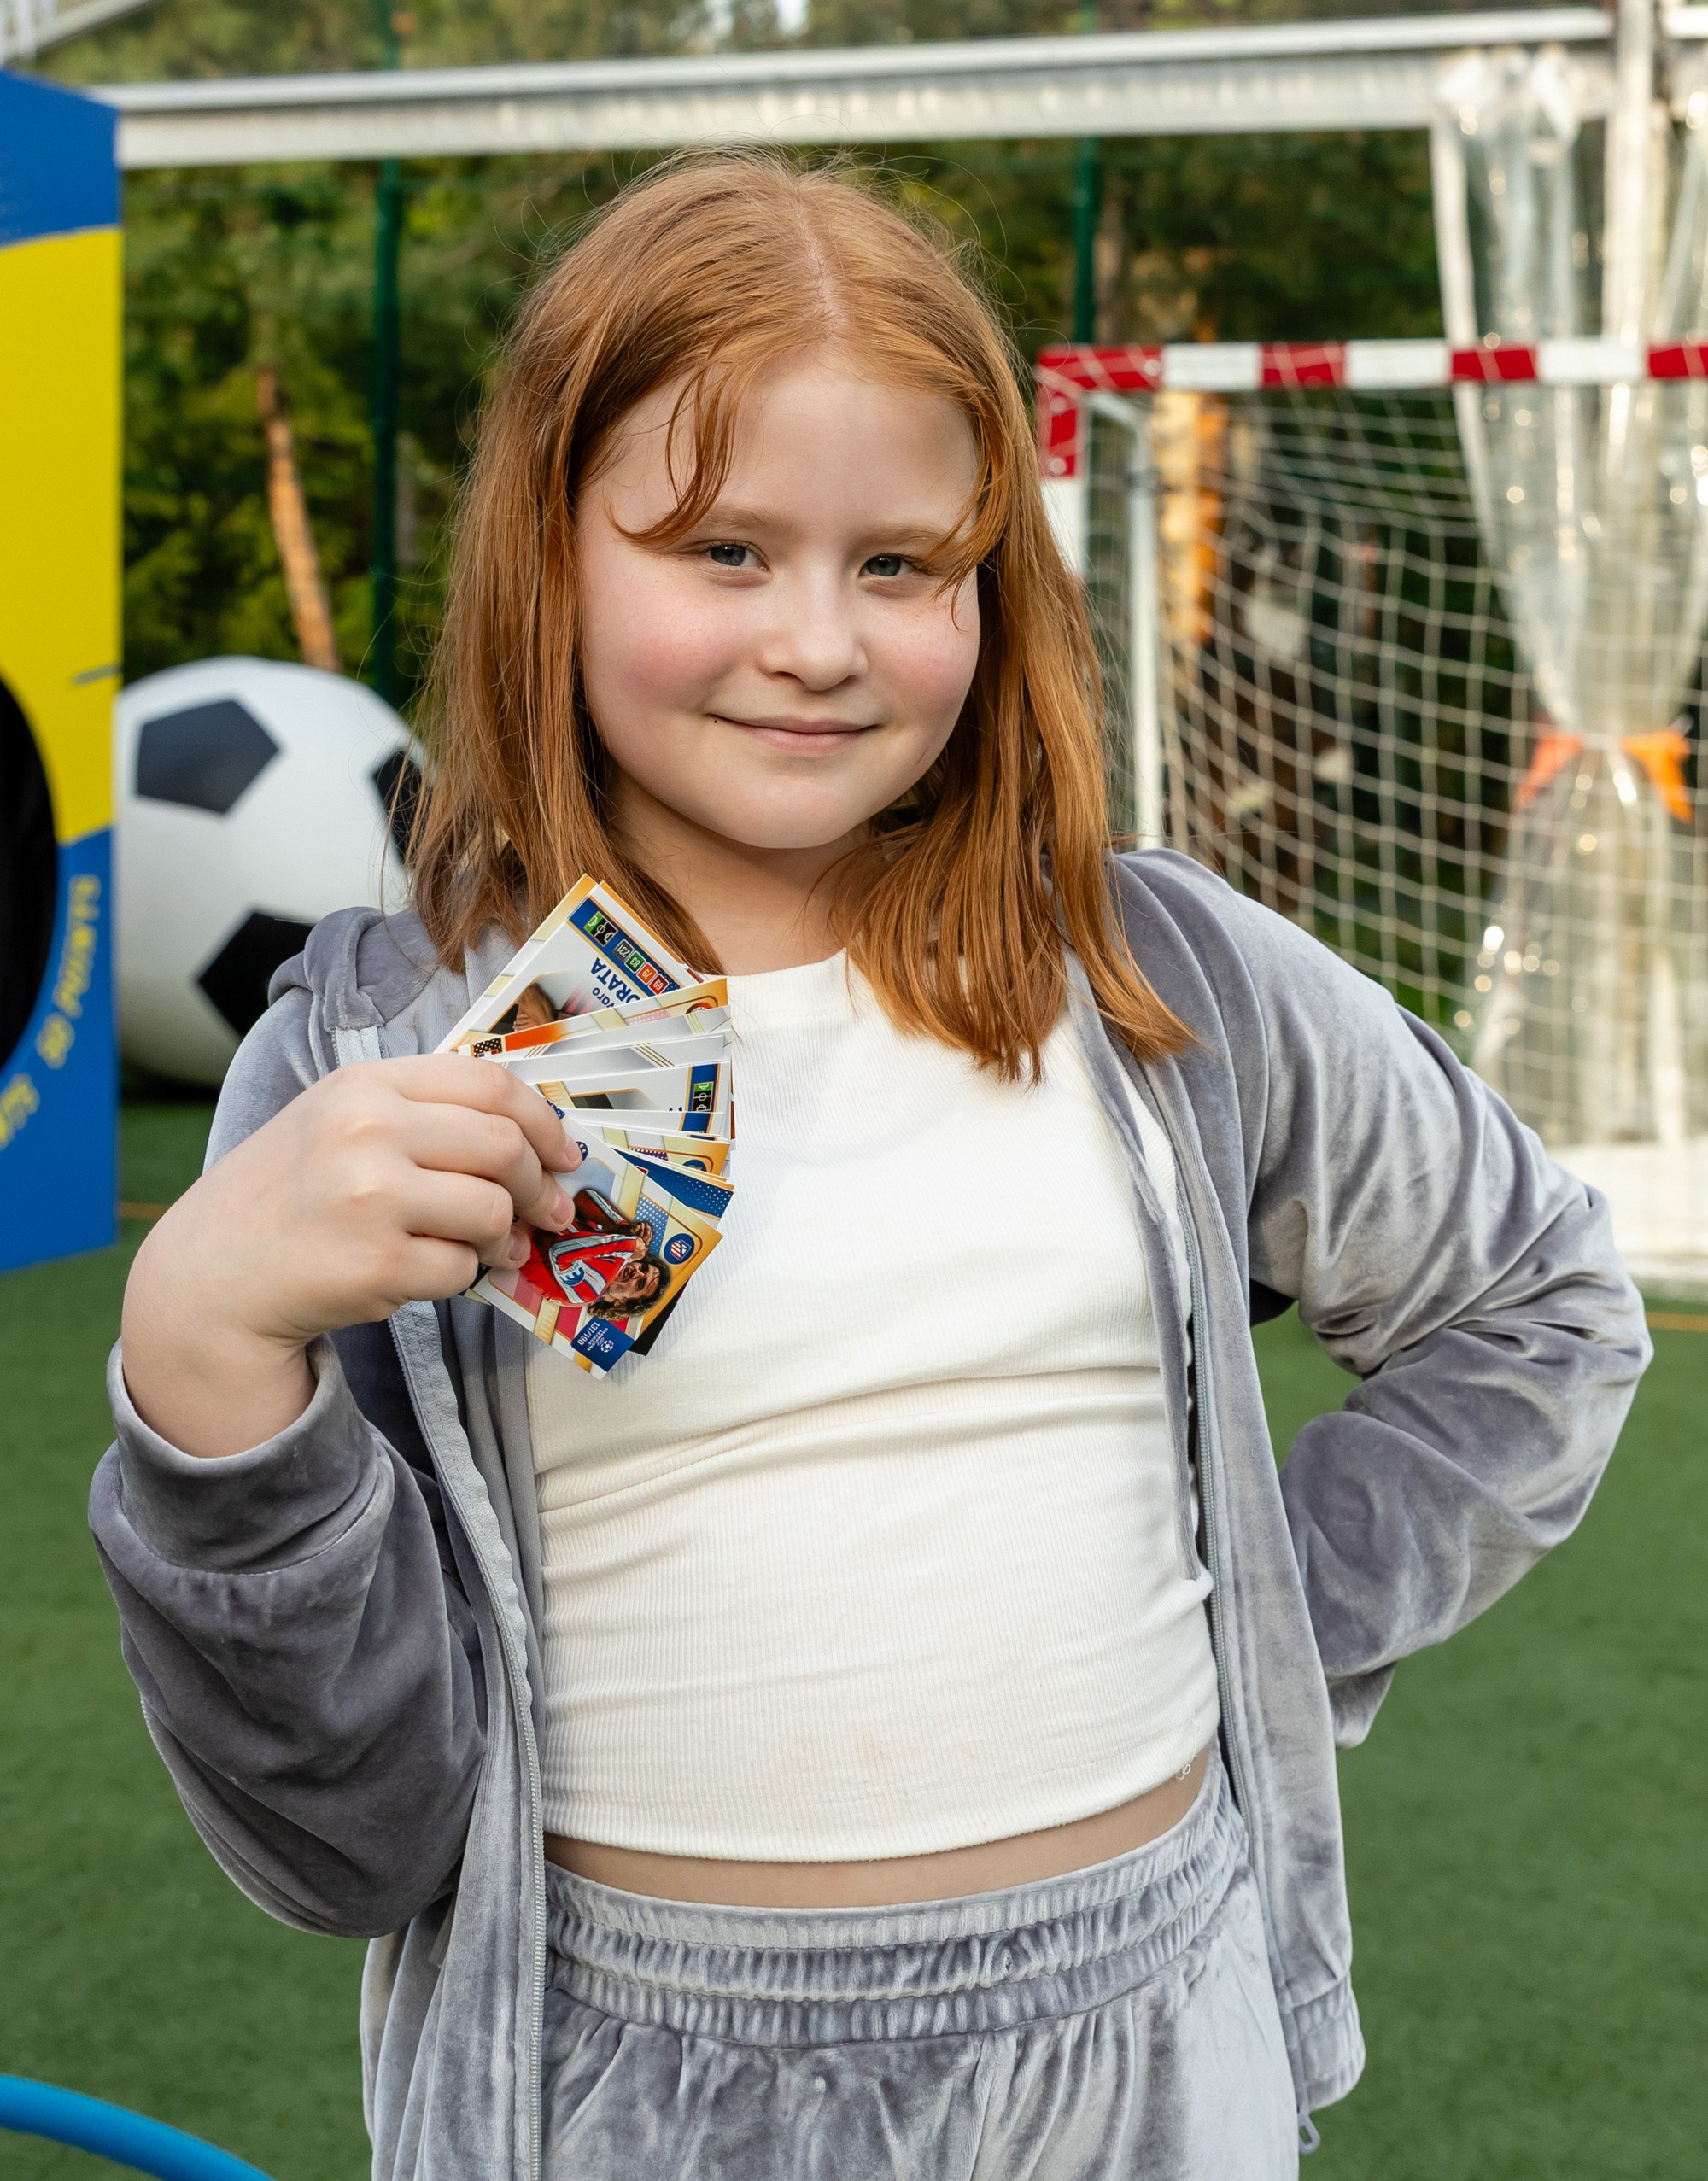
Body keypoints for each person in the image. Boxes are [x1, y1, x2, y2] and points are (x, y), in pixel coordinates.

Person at [93, 156, 1648, 2181]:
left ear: (991, 591)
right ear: (543, 559)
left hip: (1147, 2054)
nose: (816, 641)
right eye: (723, 548)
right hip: (615, 2085)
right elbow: (352, 1839)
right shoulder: (372, 1061)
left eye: (901, 565)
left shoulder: (1156, 973)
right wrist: (206, 1355)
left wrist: (1260, 1619)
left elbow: (1537, 1305)